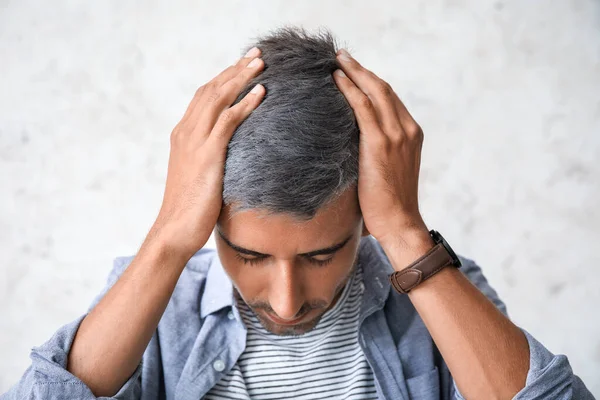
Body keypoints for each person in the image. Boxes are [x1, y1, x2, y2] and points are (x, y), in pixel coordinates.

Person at [2, 26, 594, 400]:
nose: (286, 302)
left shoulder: (434, 289)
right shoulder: (162, 305)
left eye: (321, 253)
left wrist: (407, 233)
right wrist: (167, 240)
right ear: (211, 222)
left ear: (366, 216)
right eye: (251, 255)